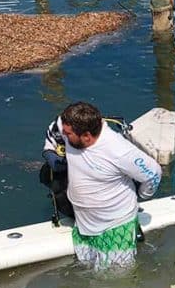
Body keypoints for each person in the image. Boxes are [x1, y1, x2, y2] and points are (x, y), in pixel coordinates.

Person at [60, 101, 161, 271]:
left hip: (115, 227)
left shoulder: (120, 151)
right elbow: (54, 128)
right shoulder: (68, 130)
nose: (63, 135)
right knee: (87, 272)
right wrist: (49, 149)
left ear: (86, 136)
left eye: (67, 134)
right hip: (84, 225)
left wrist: (142, 195)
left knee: (115, 281)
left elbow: (154, 173)